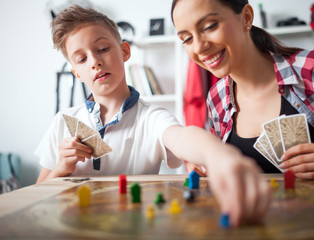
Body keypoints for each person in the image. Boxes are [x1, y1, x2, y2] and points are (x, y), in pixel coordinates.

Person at [35, 5, 270, 226]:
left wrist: (218, 154)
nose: (95, 61)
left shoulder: (151, 117)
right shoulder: (63, 121)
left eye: (103, 49)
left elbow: (181, 137)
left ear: (125, 51)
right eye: (82, 59)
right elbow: (36, 193)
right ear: (76, 73)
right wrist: (60, 169)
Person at [171, 0, 314, 179]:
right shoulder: (216, 99)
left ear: (246, 17)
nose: (199, 47)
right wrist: (208, 168)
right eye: (187, 39)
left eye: (209, 26)